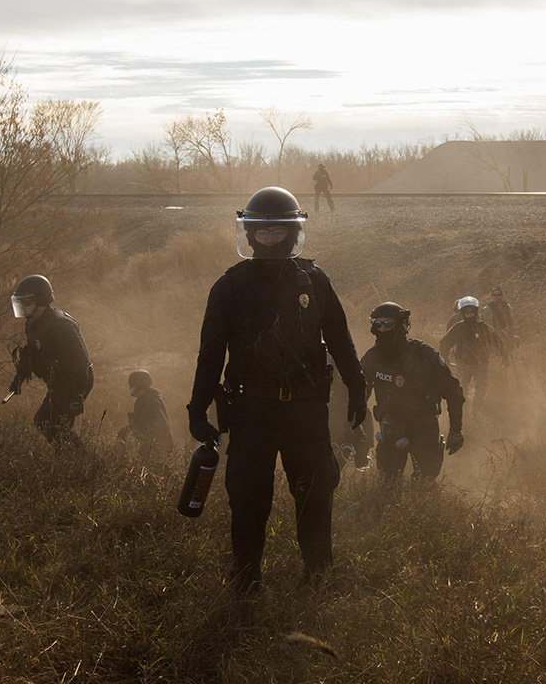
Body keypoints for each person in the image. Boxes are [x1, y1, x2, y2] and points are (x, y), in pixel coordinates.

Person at [185, 186, 367, 593]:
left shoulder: (316, 282)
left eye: (277, 231)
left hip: (305, 409)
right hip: (252, 410)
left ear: (292, 231)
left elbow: (340, 339)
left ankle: (318, 575)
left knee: (316, 494)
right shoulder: (229, 287)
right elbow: (210, 354)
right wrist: (197, 409)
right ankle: (247, 581)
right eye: (261, 232)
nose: (269, 239)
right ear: (248, 234)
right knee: (248, 499)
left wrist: (357, 386)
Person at [359, 302, 465, 483]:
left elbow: (453, 391)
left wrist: (456, 430)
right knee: (388, 483)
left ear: (401, 325)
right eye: (378, 323)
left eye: (388, 323)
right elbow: (358, 398)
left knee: (425, 481)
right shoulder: (372, 357)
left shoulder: (424, 356)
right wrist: (359, 433)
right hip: (390, 429)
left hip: (423, 429)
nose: (382, 329)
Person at [8, 274, 94, 447]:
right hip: (58, 380)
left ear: (41, 300)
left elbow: (81, 362)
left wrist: (77, 394)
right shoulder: (33, 323)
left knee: (53, 426)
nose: (23, 307)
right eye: (20, 303)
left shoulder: (61, 325)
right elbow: (33, 353)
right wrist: (19, 378)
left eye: (27, 302)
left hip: (75, 379)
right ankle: (73, 461)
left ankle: (87, 463)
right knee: (45, 423)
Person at [439, 296, 506, 411]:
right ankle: (464, 412)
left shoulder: (483, 327)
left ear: (475, 312)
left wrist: (505, 356)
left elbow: (498, 341)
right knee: (462, 388)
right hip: (463, 364)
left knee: (481, 388)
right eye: (466, 312)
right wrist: (444, 359)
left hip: (481, 363)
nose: (469, 314)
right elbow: (445, 343)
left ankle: (476, 410)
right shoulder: (458, 328)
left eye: (471, 312)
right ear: (462, 313)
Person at [117, 369, 175, 466]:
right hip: (154, 446)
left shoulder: (149, 400)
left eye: (131, 385)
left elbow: (156, 425)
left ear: (138, 385)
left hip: (155, 448)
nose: (130, 388)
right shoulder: (149, 398)